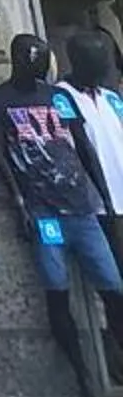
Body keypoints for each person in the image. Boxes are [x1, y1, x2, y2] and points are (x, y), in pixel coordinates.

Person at [0, 31, 123, 397]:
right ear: (18, 59)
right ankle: (83, 376)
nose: (40, 64)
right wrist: (20, 205)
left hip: (81, 209)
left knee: (113, 286)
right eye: (34, 57)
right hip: (45, 215)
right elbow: (0, 154)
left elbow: (83, 146)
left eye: (43, 57)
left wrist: (102, 196)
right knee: (57, 289)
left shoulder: (57, 97)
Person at [65, 30, 123, 268]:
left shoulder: (111, 97)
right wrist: (105, 198)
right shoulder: (63, 96)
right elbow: (81, 149)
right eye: (97, 62)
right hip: (98, 203)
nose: (104, 69)